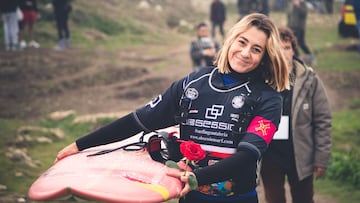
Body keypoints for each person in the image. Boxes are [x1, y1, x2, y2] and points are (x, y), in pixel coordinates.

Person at [56, 13, 290, 203]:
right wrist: (79, 145)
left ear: (265, 58)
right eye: (242, 42)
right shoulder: (193, 83)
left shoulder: (268, 99)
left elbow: (247, 157)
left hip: (237, 199)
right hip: (191, 198)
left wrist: (196, 176)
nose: (245, 52)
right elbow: (137, 121)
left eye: (257, 49)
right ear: (232, 39)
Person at [260, 27, 332, 203]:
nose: (283, 53)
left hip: (301, 155)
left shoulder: (309, 79)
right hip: (270, 155)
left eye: (287, 47)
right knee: (274, 199)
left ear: (293, 49)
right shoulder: (260, 79)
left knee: (304, 199)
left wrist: (321, 159)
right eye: (279, 48)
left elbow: (323, 120)